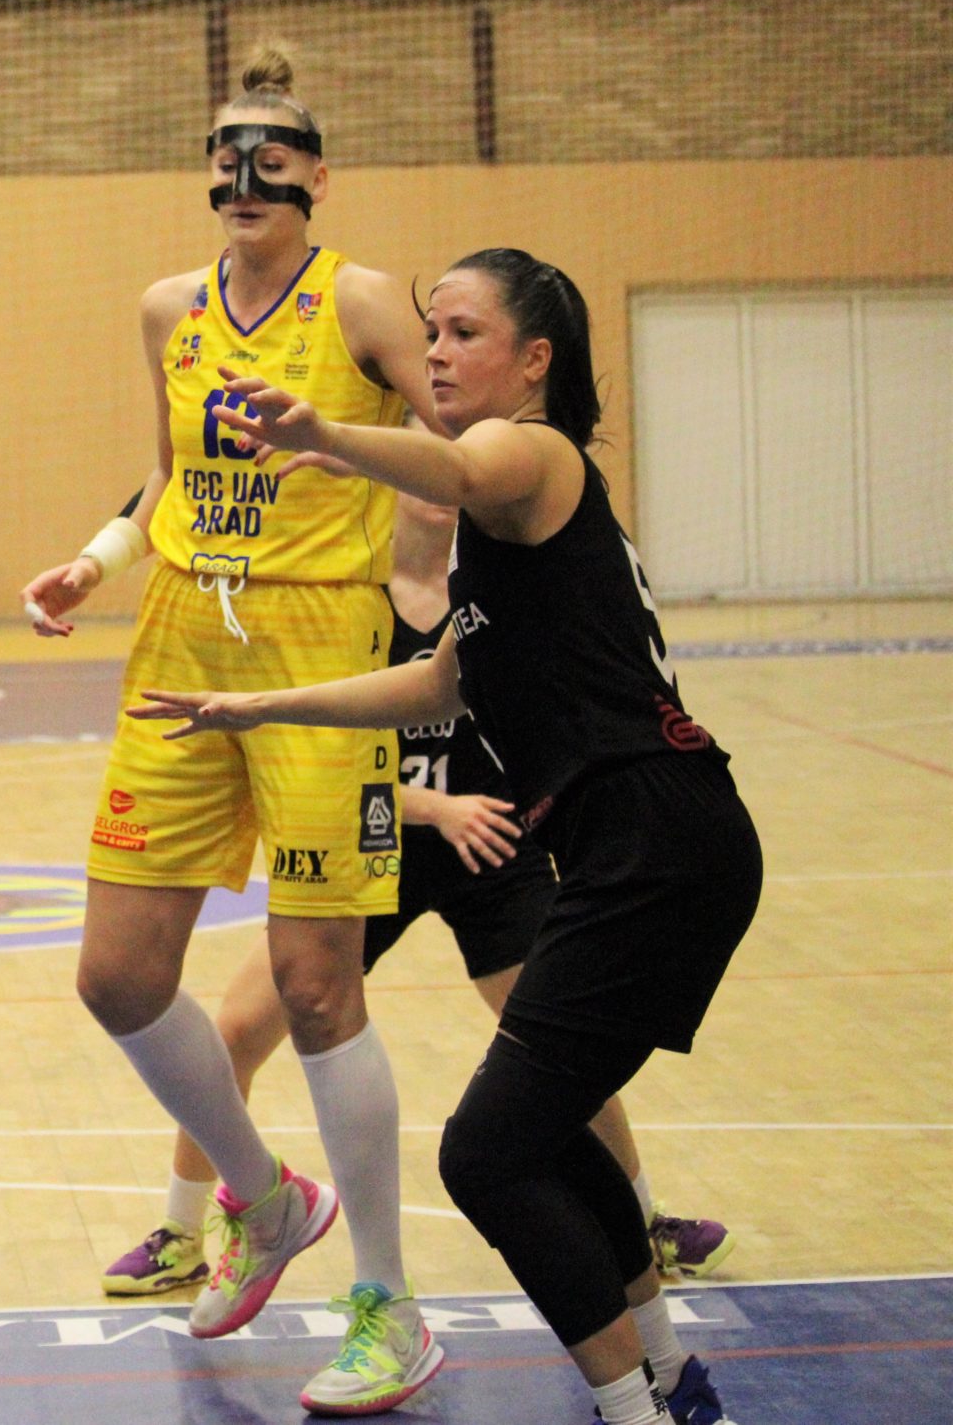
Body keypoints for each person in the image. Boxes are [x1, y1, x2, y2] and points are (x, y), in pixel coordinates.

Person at [134, 248, 762, 1425]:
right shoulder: (497, 527)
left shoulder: (532, 453)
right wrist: (260, 707)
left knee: (484, 1157)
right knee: (546, 1131)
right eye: (430, 333)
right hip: (632, 850)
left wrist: (327, 434)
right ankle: (670, 1383)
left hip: (657, 844)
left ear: (534, 361)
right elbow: (436, 686)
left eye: (463, 333)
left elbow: (456, 465)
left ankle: (636, 1406)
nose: (434, 352)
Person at [22, 46, 448, 1415]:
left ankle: (389, 1305)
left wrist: (427, 570)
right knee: (116, 977)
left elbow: (455, 442)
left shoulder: (363, 300)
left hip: (324, 647)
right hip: (181, 642)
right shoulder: (170, 308)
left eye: (272, 151)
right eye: (226, 151)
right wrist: (95, 560)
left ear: (318, 174)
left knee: (317, 986)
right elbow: (166, 475)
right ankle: (263, 1200)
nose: (244, 171)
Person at [103, 491, 733, 1301]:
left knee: (556, 1044)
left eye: (447, 476)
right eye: (420, 470)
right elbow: (313, 751)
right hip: (373, 837)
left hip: (492, 849)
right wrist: (435, 807)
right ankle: (181, 1230)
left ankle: (644, 1221)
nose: (437, 492)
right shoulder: (352, 602)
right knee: (237, 1029)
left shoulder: (488, 590)